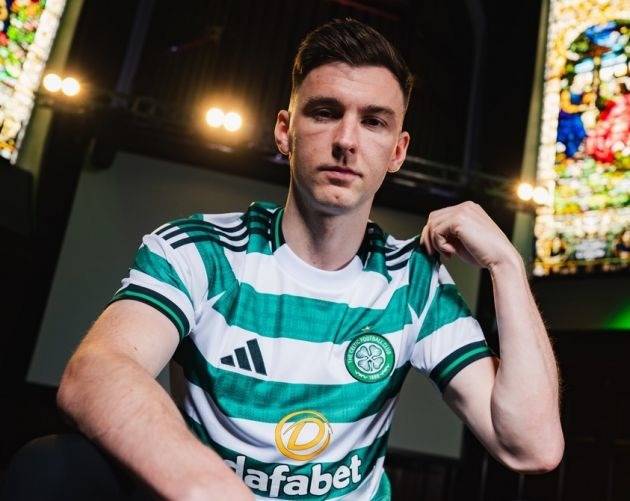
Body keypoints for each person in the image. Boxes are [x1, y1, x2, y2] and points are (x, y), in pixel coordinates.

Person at [4, 18, 563, 501]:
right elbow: (97, 372)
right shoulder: (200, 251)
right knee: (53, 466)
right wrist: (217, 491)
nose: (346, 140)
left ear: (397, 151)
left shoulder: (414, 282)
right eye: (324, 112)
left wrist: (507, 266)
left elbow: (532, 448)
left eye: (373, 121)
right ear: (284, 131)